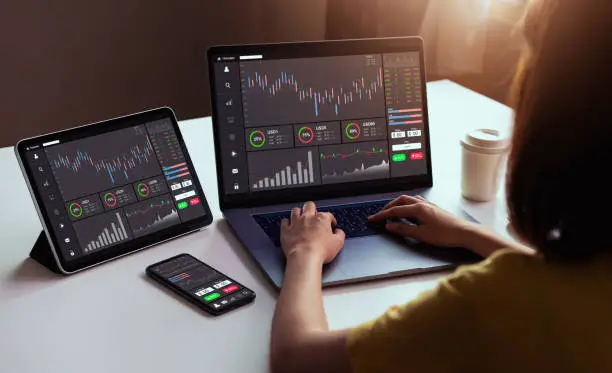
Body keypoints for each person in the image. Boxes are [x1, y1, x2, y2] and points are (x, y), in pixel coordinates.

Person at [269, 1, 612, 372]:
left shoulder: (493, 304)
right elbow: (570, 288)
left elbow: (297, 359)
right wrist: (469, 233)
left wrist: (305, 253)